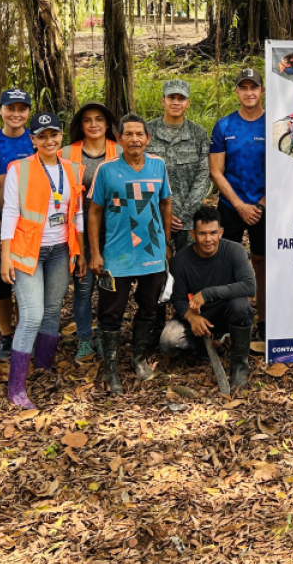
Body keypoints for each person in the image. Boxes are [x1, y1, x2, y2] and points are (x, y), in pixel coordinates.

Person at [0, 113, 85, 409]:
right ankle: (16, 387)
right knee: (32, 315)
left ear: (61, 137)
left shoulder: (73, 169)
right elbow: (10, 211)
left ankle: (44, 368)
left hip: (60, 249)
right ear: (33, 140)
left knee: (51, 311)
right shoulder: (19, 170)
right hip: (27, 252)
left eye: (54, 135)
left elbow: (78, 214)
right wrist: (5, 255)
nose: (49, 141)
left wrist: (81, 251)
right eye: (42, 136)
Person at [88, 114, 174, 393]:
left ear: (148, 139)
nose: (135, 139)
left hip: (151, 252)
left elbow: (166, 203)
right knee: (110, 312)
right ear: (119, 139)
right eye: (129, 134)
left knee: (149, 308)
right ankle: (110, 369)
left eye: (140, 134)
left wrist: (166, 244)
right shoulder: (106, 170)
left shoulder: (158, 165)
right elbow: (94, 212)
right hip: (117, 255)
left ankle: (138, 359)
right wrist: (94, 253)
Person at [171, 206, 259, 388]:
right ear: (193, 234)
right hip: (200, 316)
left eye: (213, 233)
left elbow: (250, 286)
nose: (208, 239)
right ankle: (206, 345)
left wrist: (208, 293)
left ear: (221, 232)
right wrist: (192, 317)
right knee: (169, 341)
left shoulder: (234, 251)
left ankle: (239, 365)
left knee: (241, 306)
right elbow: (178, 299)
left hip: (228, 312)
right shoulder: (181, 260)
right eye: (202, 234)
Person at [210, 69, 267, 343]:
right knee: (226, 263)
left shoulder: (274, 125)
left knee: (261, 261)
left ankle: (264, 319)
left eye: (253, 87)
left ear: (262, 91)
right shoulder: (224, 126)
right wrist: (239, 205)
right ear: (237, 92)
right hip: (231, 206)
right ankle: (224, 319)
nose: (248, 92)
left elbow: (284, 168)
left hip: (264, 205)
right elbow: (216, 170)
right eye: (243, 87)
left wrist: (260, 204)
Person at [61, 102, 119, 360]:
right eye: (87, 120)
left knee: (110, 285)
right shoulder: (66, 153)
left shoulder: (120, 150)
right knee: (83, 286)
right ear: (80, 126)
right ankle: (85, 338)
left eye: (99, 119)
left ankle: (108, 337)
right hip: (79, 231)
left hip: (115, 230)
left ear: (107, 124)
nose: (94, 124)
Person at [0, 88, 34, 361]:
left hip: (34, 227)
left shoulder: (36, 139)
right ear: (1, 111)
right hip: (0, 223)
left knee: (30, 280)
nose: (16, 114)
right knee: (3, 283)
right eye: (11, 108)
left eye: (22, 109)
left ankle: (30, 330)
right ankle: (7, 336)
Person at [147, 80, 211, 254]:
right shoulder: (146, 132)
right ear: (163, 101)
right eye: (171, 97)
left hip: (188, 218)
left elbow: (204, 174)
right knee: (157, 273)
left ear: (188, 103)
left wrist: (183, 214)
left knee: (189, 268)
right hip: (154, 216)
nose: (176, 102)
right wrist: (164, 213)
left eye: (181, 98)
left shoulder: (198, 134)